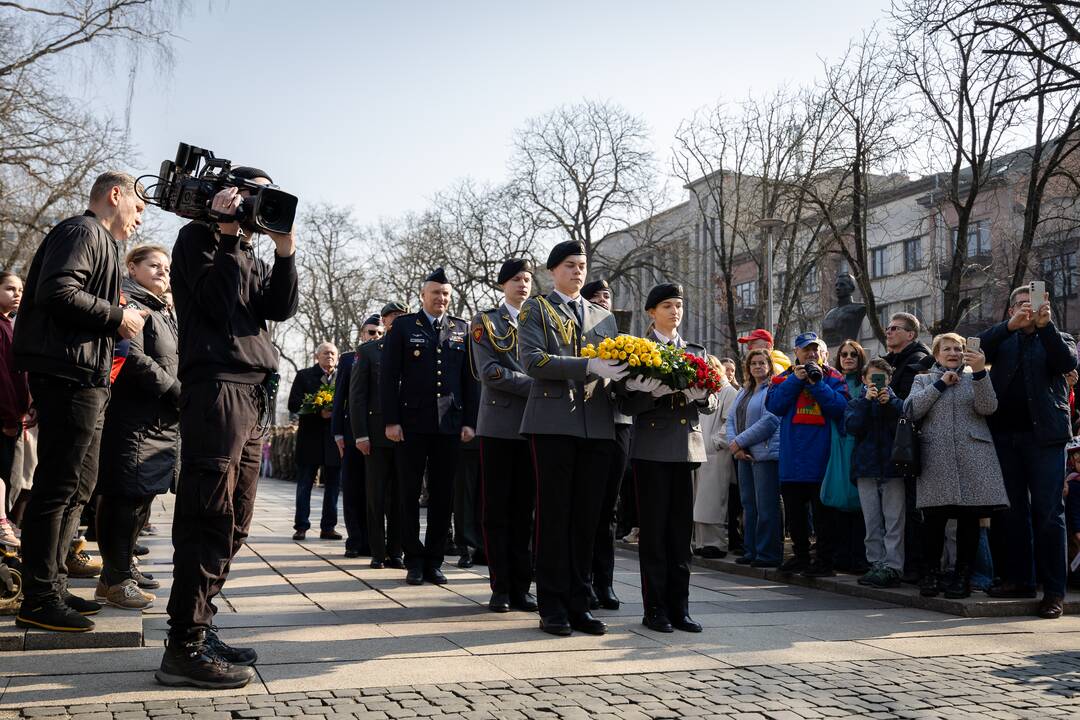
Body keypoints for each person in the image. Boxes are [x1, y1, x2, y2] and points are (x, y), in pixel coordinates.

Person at [161, 170, 298, 688]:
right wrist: (223, 232)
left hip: (251, 391)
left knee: (236, 521)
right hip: (216, 387)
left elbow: (278, 308)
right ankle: (183, 645)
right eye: (251, 193)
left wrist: (284, 250)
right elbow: (218, 305)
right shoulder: (197, 239)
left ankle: (202, 623)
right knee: (207, 513)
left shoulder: (245, 250)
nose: (255, 205)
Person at [12, 171, 148, 633]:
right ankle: (38, 596)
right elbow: (58, 292)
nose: (139, 219)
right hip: (67, 375)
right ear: (115, 196)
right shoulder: (81, 231)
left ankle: (53, 582)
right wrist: (119, 317)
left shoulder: (101, 243)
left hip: (88, 377)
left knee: (79, 487)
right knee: (57, 487)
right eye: (138, 208)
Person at [518, 240, 627, 637]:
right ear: (553, 271)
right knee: (554, 515)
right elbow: (532, 361)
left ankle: (580, 603)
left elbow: (615, 371)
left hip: (597, 423)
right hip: (552, 422)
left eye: (582, 265)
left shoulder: (603, 316)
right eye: (569, 265)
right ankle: (552, 605)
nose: (578, 272)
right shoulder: (537, 308)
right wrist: (588, 365)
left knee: (588, 519)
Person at [620, 283, 716, 633]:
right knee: (655, 533)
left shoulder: (696, 351)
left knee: (680, 535)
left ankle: (680, 608)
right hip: (651, 448)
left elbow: (712, 399)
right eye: (666, 306)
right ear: (651, 312)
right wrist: (650, 393)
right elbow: (624, 403)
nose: (675, 311)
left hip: (686, 448)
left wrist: (703, 397)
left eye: (678, 305)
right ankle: (655, 608)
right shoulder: (638, 351)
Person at [979, 285, 1077, 619]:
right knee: (1012, 512)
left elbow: (1066, 362)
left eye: (1035, 303)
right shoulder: (1003, 338)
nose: (1029, 309)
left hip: (1046, 439)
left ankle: (1053, 592)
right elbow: (975, 347)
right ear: (1010, 311)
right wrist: (1010, 328)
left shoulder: (1059, 336)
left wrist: (1046, 325)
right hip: (1006, 437)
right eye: (1021, 305)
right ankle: (1019, 579)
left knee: (1049, 514)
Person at [380, 268, 479, 586]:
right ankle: (414, 559)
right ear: (423, 295)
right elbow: (389, 376)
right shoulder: (405, 326)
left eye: (446, 294)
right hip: (411, 423)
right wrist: (391, 420)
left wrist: (469, 421)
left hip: (449, 425)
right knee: (408, 493)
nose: (442, 298)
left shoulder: (460, 328)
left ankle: (435, 560)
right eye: (436, 292)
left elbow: (469, 379)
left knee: (443, 495)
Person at [94, 245, 179, 610]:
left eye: (166, 267)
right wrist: (175, 390)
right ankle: (115, 578)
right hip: (134, 418)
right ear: (132, 267)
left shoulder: (162, 310)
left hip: (159, 420)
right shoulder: (129, 302)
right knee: (124, 498)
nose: (163, 272)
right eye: (154, 265)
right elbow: (132, 359)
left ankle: (121, 568)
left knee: (142, 499)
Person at [906, 333, 1008, 600]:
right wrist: (939, 385)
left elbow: (989, 407)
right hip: (935, 460)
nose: (953, 353)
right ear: (937, 354)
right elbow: (911, 410)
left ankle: (962, 576)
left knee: (969, 521)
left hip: (973, 458)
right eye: (947, 349)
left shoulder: (976, 378)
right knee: (934, 522)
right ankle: (931, 574)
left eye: (958, 348)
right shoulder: (923, 379)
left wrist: (979, 374)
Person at [469, 258, 537, 613]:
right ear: (502, 286)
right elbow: (489, 372)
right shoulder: (486, 321)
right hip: (499, 426)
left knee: (525, 511)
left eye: (527, 279)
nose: (522, 284)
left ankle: (522, 586)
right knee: (496, 509)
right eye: (515, 279)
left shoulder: (541, 320)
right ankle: (499, 587)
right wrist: (538, 385)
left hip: (535, 425)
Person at [766, 331, 849, 577]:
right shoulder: (785, 377)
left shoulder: (833, 377)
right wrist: (796, 380)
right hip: (793, 460)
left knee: (824, 516)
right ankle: (801, 557)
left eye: (816, 350)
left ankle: (824, 561)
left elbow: (840, 407)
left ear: (823, 354)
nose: (811, 354)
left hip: (823, 458)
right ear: (797, 353)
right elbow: (774, 406)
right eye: (806, 350)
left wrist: (818, 384)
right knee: (795, 515)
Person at [581, 278, 630, 611]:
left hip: (619, 424)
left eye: (607, 295)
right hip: (588, 423)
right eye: (595, 297)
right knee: (588, 508)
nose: (603, 300)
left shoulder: (625, 339)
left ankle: (606, 582)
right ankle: (583, 580)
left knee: (609, 509)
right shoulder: (581, 340)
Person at [350, 302, 407, 567]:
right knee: (376, 495)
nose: (397, 321)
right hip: (375, 434)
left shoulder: (414, 349)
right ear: (384, 321)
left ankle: (396, 550)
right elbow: (358, 396)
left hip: (407, 435)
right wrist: (360, 434)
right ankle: (377, 551)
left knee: (401, 496)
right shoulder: (369, 351)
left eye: (402, 317)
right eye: (392, 317)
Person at [844, 357, 906, 588]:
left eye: (881, 378)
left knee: (894, 521)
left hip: (893, 469)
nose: (877, 383)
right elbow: (852, 428)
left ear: (889, 379)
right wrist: (867, 403)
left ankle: (893, 567)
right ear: (863, 379)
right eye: (872, 378)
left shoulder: (897, 402)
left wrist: (889, 403)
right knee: (871, 522)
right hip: (866, 469)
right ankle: (876, 564)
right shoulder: (856, 403)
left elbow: (905, 422)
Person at [882, 311, 932, 584]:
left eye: (894, 328)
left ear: (910, 334)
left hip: (913, 445)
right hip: (897, 444)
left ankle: (918, 566)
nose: (888, 332)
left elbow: (907, 405)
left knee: (915, 510)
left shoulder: (917, 361)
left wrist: (886, 397)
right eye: (887, 328)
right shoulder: (892, 360)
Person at [727, 348, 782, 568]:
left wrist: (740, 441)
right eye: (753, 363)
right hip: (744, 455)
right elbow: (730, 419)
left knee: (766, 505)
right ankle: (751, 549)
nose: (758, 366)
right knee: (748, 504)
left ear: (769, 365)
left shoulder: (774, 389)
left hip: (765, 455)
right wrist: (736, 447)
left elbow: (770, 421)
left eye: (762, 363)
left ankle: (768, 553)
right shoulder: (744, 390)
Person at [333, 315, 382, 558]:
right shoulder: (348, 359)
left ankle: (373, 540)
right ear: (362, 333)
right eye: (371, 332)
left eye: (379, 333)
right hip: (352, 433)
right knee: (352, 489)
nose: (375, 336)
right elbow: (340, 396)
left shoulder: (387, 354)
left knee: (374, 490)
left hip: (378, 434)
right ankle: (355, 539)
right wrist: (337, 433)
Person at [288, 342, 342, 541]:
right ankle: (301, 526)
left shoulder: (343, 376)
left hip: (334, 440)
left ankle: (328, 527)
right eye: (326, 353)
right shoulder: (304, 376)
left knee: (333, 486)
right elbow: (293, 403)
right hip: (309, 438)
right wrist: (318, 410)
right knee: (304, 484)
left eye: (333, 354)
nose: (329, 356)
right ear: (317, 356)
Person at [829, 340, 869, 575]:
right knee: (838, 500)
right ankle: (841, 554)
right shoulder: (834, 382)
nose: (848, 358)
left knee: (859, 504)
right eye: (843, 354)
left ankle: (859, 556)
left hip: (859, 447)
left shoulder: (864, 385)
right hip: (837, 446)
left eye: (853, 354)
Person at [694, 357, 738, 558]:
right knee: (699, 502)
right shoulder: (703, 389)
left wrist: (714, 442)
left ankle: (716, 543)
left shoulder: (728, 391)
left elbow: (730, 423)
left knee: (713, 501)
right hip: (698, 451)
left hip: (716, 453)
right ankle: (701, 542)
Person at [0, 271, 28, 549]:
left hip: (16, 415)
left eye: (20, 289)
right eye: (10, 288)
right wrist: (9, 415)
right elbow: (3, 377)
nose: (17, 293)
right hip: (5, 418)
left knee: (12, 479)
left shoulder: (10, 324)